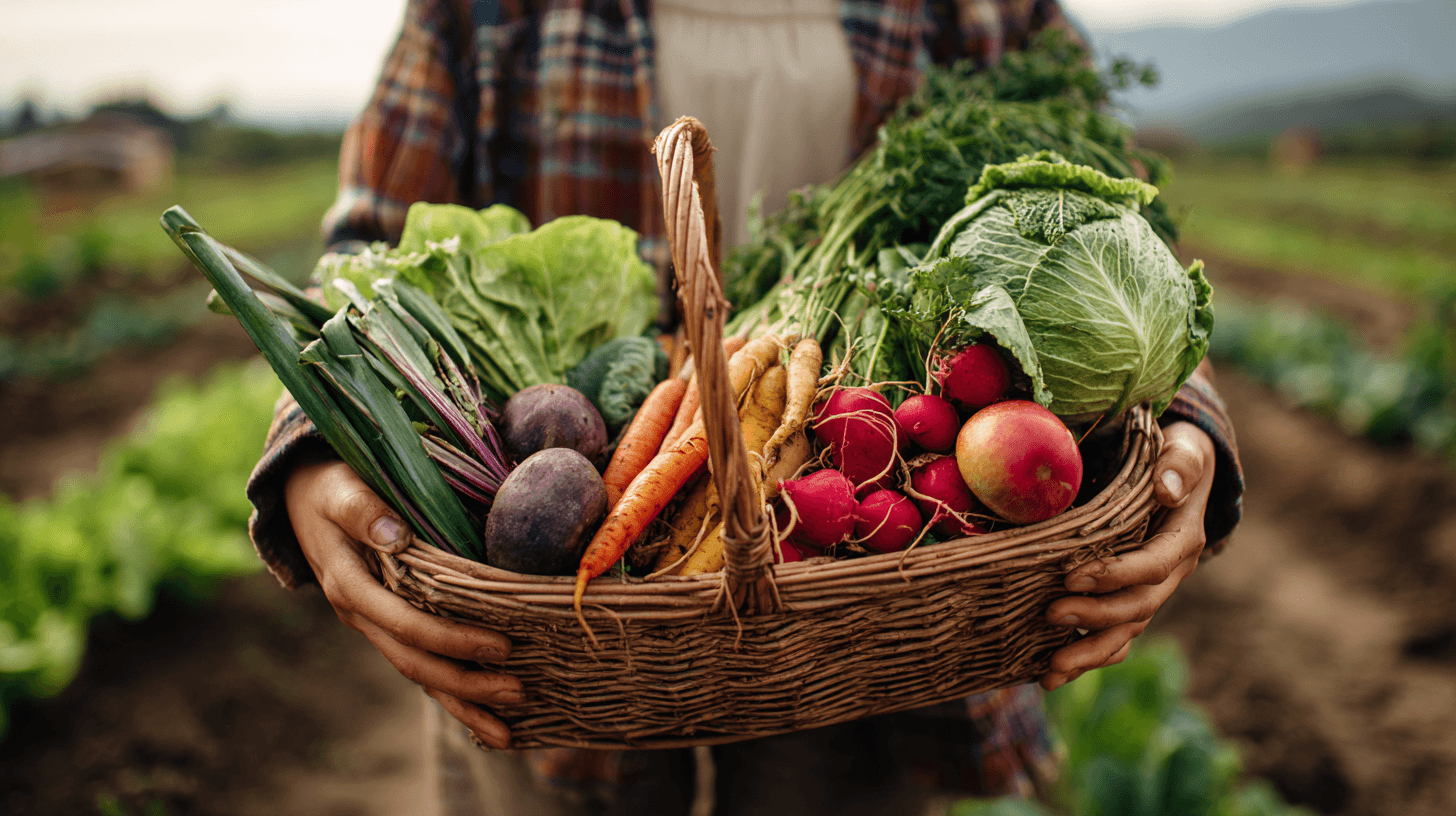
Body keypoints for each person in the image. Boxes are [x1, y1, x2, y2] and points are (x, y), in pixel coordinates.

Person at [246, 1, 1245, 813]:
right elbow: (364, 263)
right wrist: (313, 456)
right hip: (553, 659)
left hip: (885, 615)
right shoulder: (485, 13)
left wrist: (1184, 429)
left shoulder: (984, 10)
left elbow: (1120, 241)